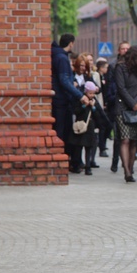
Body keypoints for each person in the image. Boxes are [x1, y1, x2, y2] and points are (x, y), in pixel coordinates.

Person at [51, 34, 89, 168]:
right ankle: (60, 161)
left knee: (63, 130)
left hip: (60, 98)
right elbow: (63, 80)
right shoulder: (61, 58)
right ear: (71, 44)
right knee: (62, 131)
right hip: (61, 100)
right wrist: (80, 95)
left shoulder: (57, 55)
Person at [114, 45, 137, 183]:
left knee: (134, 140)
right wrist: (132, 103)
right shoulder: (120, 67)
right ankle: (126, 171)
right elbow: (121, 88)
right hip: (122, 108)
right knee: (125, 139)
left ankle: (131, 167)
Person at [68, 82, 111, 175]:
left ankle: (88, 166)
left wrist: (93, 107)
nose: (91, 95)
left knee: (89, 147)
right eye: (90, 93)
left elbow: (99, 115)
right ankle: (77, 164)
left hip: (90, 127)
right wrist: (84, 105)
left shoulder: (94, 101)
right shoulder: (80, 99)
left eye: (93, 93)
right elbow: (76, 111)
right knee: (78, 147)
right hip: (80, 125)